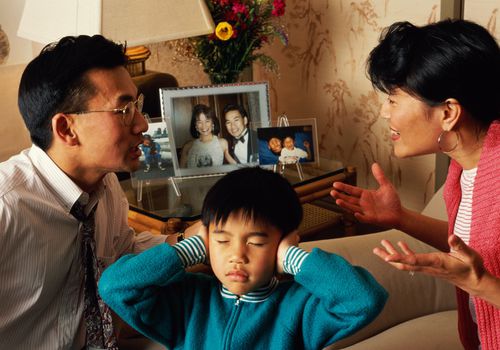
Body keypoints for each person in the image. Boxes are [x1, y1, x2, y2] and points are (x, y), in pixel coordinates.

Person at [0, 35, 191, 350]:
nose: (143, 124)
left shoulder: (106, 185)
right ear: (66, 129)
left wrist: (192, 242)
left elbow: (121, 253)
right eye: (124, 110)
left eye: (137, 105)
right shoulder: (8, 207)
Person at [330, 19, 500, 349]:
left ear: (448, 112)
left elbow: (481, 271)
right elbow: (479, 244)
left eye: (394, 99)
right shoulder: (467, 167)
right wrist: (401, 218)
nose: (383, 112)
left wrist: (480, 284)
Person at [98, 167, 388, 350]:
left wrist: (292, 257)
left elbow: (365, 300)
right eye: (222, 241)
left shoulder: (298, 308)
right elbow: (115, 287)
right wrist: (192, 246)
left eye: (257, 242)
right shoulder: (190, 300)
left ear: (283, 242)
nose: (237, 256)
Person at [180, 104, 236, 168]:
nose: (204, 126)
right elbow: (180, 175)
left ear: (213, 123)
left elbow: (235, 165)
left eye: (207, 121)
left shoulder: (222, 143)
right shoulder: (188, 147)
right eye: (199, 122)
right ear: (195, 126)